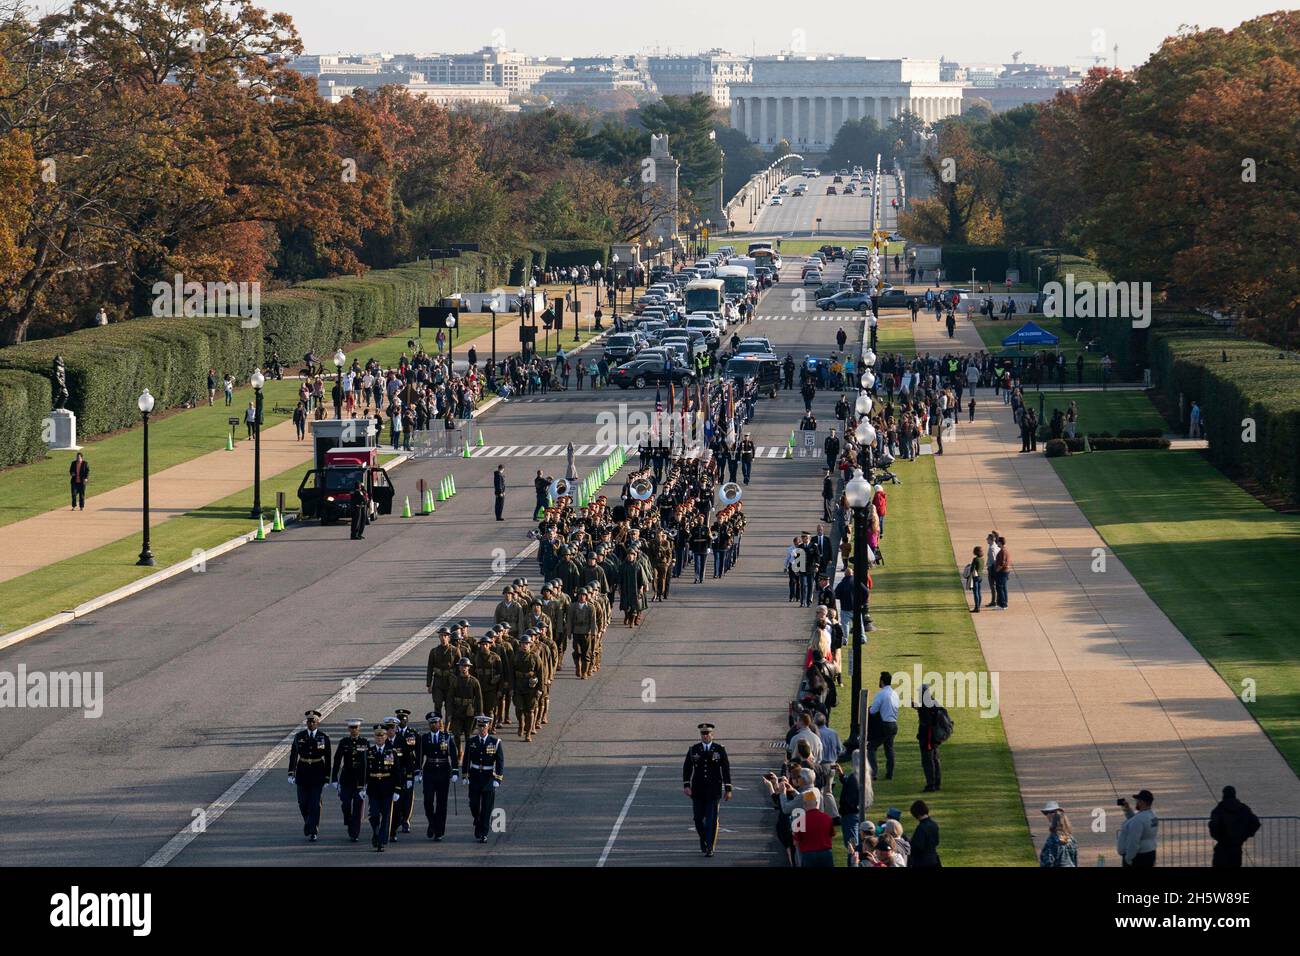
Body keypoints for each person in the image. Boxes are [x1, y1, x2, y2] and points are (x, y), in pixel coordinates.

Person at [683, 722, 733, 857]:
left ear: (712, 734)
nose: (705, 736)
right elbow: (687, 768)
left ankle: (710, 846)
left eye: (707, 734)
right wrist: (686, 785)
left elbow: (725, 769)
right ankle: (704, 839)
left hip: (713, 791)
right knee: (698, 819)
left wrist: (728, 789)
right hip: (698, 790)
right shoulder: (694, 749)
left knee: (711, 819)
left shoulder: (719, 749)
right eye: (703, 734)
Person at [287, 710, 331, 842]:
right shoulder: (299, 736)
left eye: (313, 721)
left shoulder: (323, 737)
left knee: (315, 803)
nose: (311, 723)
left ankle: (313, 830)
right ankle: (308, 821)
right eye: (309, 721)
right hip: (303, 772)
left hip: (318, 773)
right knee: (302, 802)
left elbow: (328, 758)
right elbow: (294, 755)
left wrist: (328, 777)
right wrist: (291, 773)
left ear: (318, 722)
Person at [462, 715, 504, 843]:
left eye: (484, 726)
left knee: (487, 807)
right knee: (474, 804)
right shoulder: (472, 742)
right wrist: (465, 775)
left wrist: (498, 778)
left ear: (488, 727)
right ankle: (477, 819)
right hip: (475, 776)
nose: (482, 729)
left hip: (488, 777)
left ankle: (484, 832)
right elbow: (466, 760)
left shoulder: (495, 742)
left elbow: (500, 762)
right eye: (480, 726)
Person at [418, 712, 460, 841]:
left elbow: (453, 754)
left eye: (435, 722)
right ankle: (432, 822)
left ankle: (439, 830)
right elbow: (420, 755)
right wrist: (417, 771)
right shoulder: (424, 738)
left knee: (442, 803)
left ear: (439, 723)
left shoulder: (446, 737)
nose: (434, 725)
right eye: (431, 723)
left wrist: (455, 771)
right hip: (429, 771)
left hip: (443, 771)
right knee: (428, 800)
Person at [330, 718, 368, 842]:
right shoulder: (344, 742)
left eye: (356, 728)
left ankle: (354, 832)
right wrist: (334, 778)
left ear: (359, 729)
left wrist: (367, 781)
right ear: (348, 729)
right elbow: (337, 760)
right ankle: (348, 819)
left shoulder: (364, 742)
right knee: (345, 803)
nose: (354, 730)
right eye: (352, 728)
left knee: (357, 805)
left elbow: (368, 763)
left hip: (359, 780)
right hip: (346, 778)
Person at [365, 722, 400, 852]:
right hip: (373, 788)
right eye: (377, 736)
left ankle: (381, 841)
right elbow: (364, 772)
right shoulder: (369, 752)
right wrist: (361, 787)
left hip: (387, 787)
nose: (379, 738)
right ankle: (375, 832)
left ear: (386, 737)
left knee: (386, 816)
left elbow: (397, 772)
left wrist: (397, 789)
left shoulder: (391, 752)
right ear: (374, 737)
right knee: (374, 815)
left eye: (382, 735)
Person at [1209, 785, 1260, 867]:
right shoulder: (1243, 808)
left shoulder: (1219, 809)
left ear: (1224, 794)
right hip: (1237, 847)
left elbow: (1213, 825)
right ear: (1234, 794)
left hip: (1222, 847)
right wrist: (1245, 835)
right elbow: (1256, 823)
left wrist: (1219, 837)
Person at [866, 671, 899, 780]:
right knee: (889, 749)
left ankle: (873, 773)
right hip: (894, 724)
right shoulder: (895, 694)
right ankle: (890, 773)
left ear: (882, 681)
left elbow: (872, 710)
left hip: (884, 725)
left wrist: (869, 709)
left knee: (871, 747)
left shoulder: (881, 694)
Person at [792, 788, 836, 867]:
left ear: (804, 805)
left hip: (809, 855)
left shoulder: (800, 821)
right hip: (826, 854)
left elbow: (796, 842)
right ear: (816, 803)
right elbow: (831, 835)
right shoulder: (827, 818)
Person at [1117, 789, 1159, 867]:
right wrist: (1127, 809)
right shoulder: (1152, 816)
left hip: (1138, 858)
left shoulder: (1139, 820)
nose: (1136, 803)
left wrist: (1128, 859)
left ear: (1142, 802)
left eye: (1137, 801)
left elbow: (1133, 842)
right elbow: (1135, 820)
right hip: (1150, 853)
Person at [1038, 801, 1078, 867]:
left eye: (1051, 812)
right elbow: (1074, 860)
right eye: (1046, 813)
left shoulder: (1053, 840)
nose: (1048, 815)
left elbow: (1048, 861)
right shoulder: (1072, 839)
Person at [909, 799, 941, 868]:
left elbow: (918, 847)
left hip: (922, 862)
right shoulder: (934, 824)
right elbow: (937, 842)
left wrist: (911, 842)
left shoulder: (921, 828)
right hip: (934, 859)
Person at [992, 535, 1011, 609]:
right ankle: (1004, 603)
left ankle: (1003, 604)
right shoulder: (1004, 550)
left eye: (997, 542)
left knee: (999, 587)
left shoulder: (1003, 551)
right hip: (1005, 571)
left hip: (1002, 572)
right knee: (1003, 587)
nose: (996, 543)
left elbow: (1002, 563)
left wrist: (997, 570)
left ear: (1000, 542)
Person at [966, 545, 985, 612]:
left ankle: (977, 608)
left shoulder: (975, 559)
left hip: (975, 577)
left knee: (975, 592)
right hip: (980, 576)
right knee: (979, 592)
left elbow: (972, 569)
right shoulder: (982, 559)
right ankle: (978, 606)